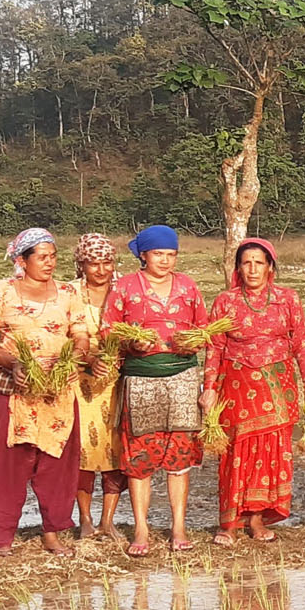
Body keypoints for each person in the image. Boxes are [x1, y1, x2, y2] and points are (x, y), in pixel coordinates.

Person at [0, 229, 94, 555]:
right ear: (22, 260)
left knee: (56, 469)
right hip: (15, 393)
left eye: (53, 256)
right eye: (42, 257)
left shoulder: (69, 293)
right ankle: (0, 540)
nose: (49, 263)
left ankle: (52, 534)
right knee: (8, 468)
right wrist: (13, 363)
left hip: (58, 394)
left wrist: (74, 356)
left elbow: (81, 335)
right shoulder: (0, 293)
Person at [203, 238, 305, 545]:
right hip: (236, 386)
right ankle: (228, 523)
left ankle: (256, 520)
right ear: (238, 267)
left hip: (278, 387)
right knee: (237, 451)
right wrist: (209, 388)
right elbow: (214, 347)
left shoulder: (288, 299)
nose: (252, 269)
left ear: (270, 267)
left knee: (270, 452)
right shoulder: (225, 301)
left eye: (259, 263)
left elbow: (301, 343)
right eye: (246, 263)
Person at [106, 225, 207, 554]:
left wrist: (193, 340)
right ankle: (141, 529)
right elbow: (108, 329)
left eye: (171, 254)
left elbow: (204, 329)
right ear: (143, 255)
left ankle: (178, 526)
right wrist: (130, 340)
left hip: (181, 378)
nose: (165, 261)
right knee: (141, 456)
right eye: (158, 254)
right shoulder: (124, 287)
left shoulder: (188, 287)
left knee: (179, 454)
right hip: (141, 380)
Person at [71, 233, 127, 539]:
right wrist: (87, 357)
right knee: (82, 450)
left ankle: (108, 520)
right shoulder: (69, 293)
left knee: (114, 451)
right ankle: (85, 519)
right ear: (82, 264)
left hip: (116, 383)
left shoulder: (124, 292)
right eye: (94, 263)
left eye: (107, 262)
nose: (101, 270)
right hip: (79, 382)